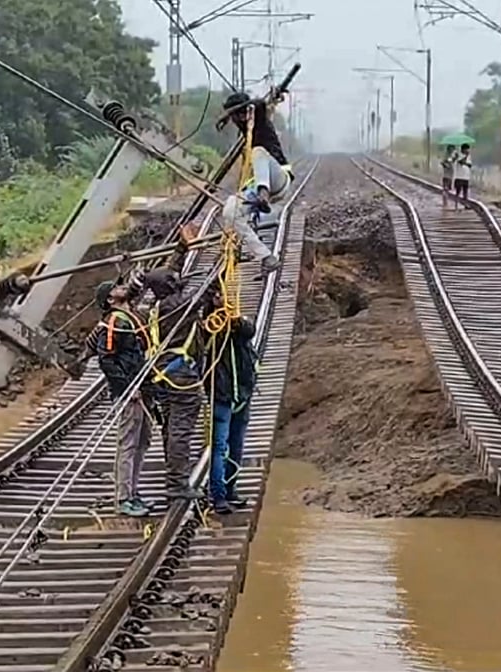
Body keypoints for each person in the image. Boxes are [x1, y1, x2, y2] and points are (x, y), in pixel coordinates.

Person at [81, 277, 154, 517]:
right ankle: (123, 498)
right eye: (115, 287)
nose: (121, 287)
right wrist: (127, 388)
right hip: (130, 392)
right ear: (110, 300)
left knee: (142, 442)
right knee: (128, 443)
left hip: (143, 388)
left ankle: (133, 492)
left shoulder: (129, 317)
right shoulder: (113, 322)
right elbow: (106, 360)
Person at [140, 266, 211, 501]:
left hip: (162, 374)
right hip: (181, 375)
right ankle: (177, 483)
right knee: (181, 428)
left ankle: (175, 477)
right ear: (169, 285)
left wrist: (180, 253)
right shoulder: (177, 305)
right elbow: (204, 294)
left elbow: (166, 281)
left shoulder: (158, 306)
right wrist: (223, 265)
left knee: (170, 427)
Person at [216, 91, 295, 275]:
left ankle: (263, 195)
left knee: (258, 151)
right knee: (230, 211)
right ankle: (266, 257)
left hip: (279, 179)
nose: (239, 118)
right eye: (235, 116)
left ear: (248, 110)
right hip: (258, 185)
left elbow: (259, 103)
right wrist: (227, 117)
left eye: (241, 113)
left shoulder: (259, 119)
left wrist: (231, 113)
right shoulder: (244, 129)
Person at [203, 286, 258, 514]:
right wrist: (216, 313)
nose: (223, 298)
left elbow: (249, 330)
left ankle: (230, 489)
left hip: (242, 393)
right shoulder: (208, 325)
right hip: (221, 394)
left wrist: (233, 317)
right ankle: (218, 495)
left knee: (236, 445)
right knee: (219, 446)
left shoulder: (237, 322)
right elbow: (205, 340)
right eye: (218, 295)